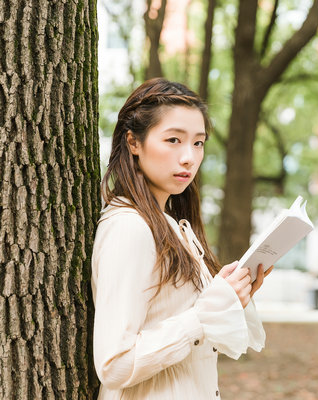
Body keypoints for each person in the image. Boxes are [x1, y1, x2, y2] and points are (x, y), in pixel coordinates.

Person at [91, 78, 271, 399]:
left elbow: (199, 344)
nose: (189, 157)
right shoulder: (130, 228)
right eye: (173, 140)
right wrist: (205, 314)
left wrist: (230, 297)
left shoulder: (172, 225)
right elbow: (114, 365)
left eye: (198, 143)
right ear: (134, 142)